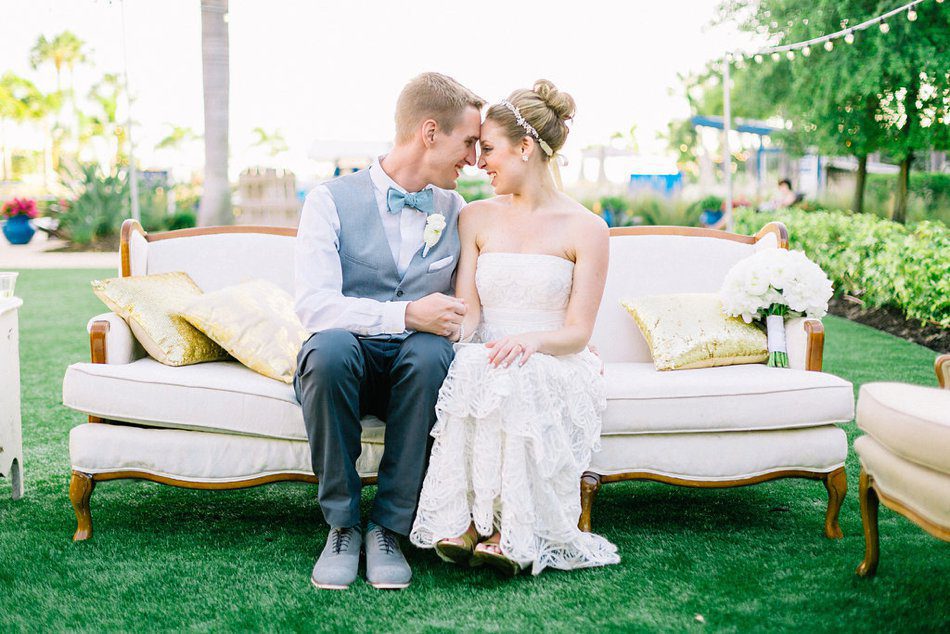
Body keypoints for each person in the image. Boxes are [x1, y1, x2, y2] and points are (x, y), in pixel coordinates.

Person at [409, 80, 620, 575]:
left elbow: (578, 332)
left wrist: (530, 342)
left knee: (520, 374)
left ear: (525, 148)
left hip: (553, 355)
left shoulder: (587, 228)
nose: (479, 163)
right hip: (489, 348)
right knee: (478, 366)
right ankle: (468, 521)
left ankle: (508, 529)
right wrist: (449, 330)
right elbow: (471, 310)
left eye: (488, 149)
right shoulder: (474, 217)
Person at [293, 72, 484, 591]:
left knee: (430, 354)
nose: (473, 158)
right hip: (346, 364)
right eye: (467, 142)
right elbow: (314, 307)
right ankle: (342, 525)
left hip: (415, 373)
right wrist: (404, 315)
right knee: (327, 348)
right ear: (429, 132)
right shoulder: (328, 200)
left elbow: (471, 304)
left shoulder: (459, 210)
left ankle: (388, 528)